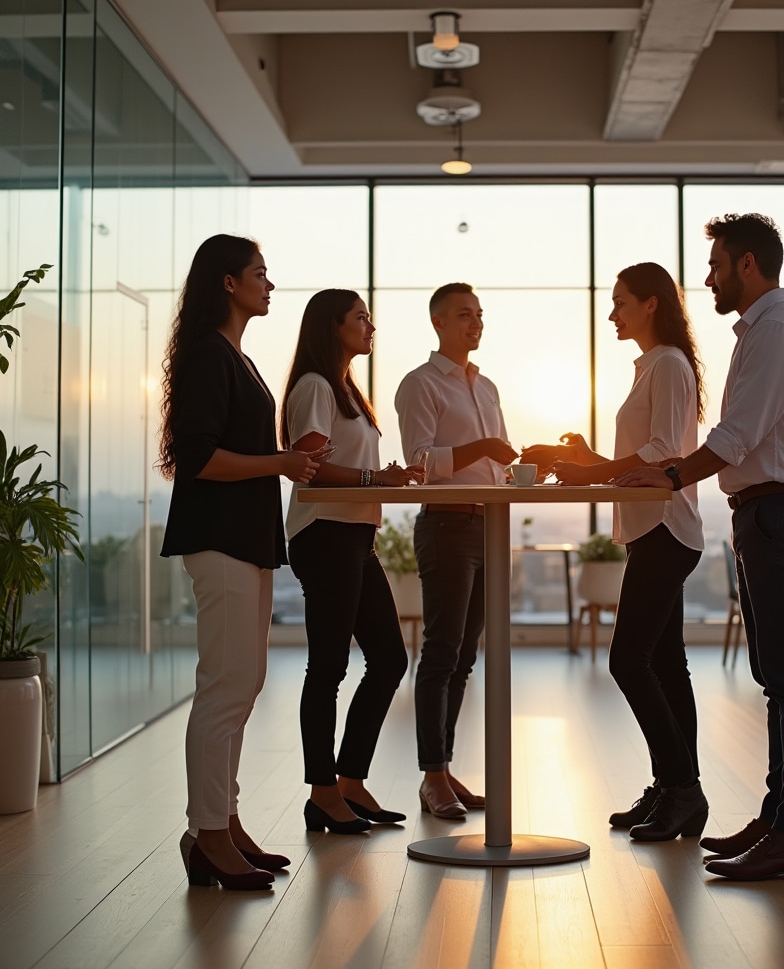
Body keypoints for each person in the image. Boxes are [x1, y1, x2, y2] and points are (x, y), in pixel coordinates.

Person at [618, 213, 784, 881]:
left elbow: (737, 436)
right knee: (776, 676)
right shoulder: (764, 332)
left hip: (777, 512)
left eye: (715, 265)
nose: (706, 278)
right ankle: (777, 819)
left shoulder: (774, 330)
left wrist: (673, 472)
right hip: (765, 511)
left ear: (747, 264)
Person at [522, 262, 707, 842]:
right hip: (649, 528)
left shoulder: (670, 365)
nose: (612, 313)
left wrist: (595, 469)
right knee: (666, 665)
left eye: (621, 302)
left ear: (652, 303)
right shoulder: (652, 366)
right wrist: (588, 459)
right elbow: (638, 457)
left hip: (667, 528)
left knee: (629, 661)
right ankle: (673, 789)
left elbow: (662, 451)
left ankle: (683, 788)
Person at [159, 234, 319, 890]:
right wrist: (281, 462)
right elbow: (198, 459)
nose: (269, 283)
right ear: (227, 283)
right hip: (219, 538)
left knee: (241, 683)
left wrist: (285, 457)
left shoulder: (235, 356)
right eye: (259, 272)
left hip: (244, 540)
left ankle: (221, 821)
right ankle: (208, 835)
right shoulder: (208, 356)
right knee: (226, 686)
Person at [282, 290, 423, 835]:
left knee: (388, 659)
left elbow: (345, 462)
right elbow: (308, 469)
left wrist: (381, 477)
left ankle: (349, 781)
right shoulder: (316, 386)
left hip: (354, 536)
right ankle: (322, 793)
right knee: (329, 667)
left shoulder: (345, 389)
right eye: (360, 317)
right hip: (325, 536)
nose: (370, 325)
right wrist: (374, 479)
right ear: (332, 326)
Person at [395, 282, 518, 818]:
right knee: (442, 653)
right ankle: (432, 776)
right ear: (439, 323)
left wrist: (518, 463)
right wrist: (483, 448)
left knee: (465, 658)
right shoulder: (419, 384)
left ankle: (443, 770)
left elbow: (498, 463)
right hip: (446, 526)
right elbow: (419, 459)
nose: (477, 323)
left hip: (489, 527)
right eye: (465, 315)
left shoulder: (486, 386)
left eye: (481, 314)